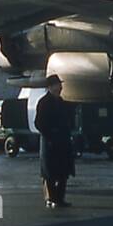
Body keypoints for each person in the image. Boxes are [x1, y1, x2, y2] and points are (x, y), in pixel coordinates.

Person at [35, 74, 75, 208]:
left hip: (62, 141)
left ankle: (60, 198)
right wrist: (50, 134)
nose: (60, 87)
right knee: (49, 173)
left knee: (63, 172)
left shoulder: (62, 102)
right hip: (50, 142)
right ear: (50, 87)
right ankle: (51, 198)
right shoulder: (44, 102)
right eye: (58, 85)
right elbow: (39, 123)